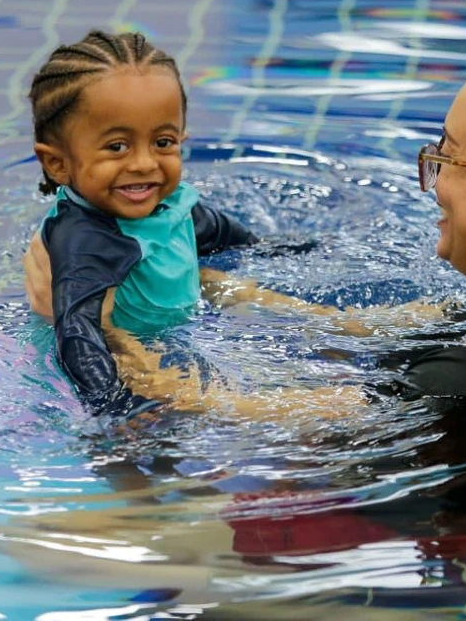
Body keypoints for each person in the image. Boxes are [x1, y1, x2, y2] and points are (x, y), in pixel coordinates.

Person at [24, 50, 466, 446]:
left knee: (68, 553)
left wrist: (90, 327)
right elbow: (379, 339)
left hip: (427, 562)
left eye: (449, 156)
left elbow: (239, 413)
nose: (432, 177)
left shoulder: (463, 385)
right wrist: (233, 292)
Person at [25, 30, 411, 419]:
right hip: (126, 342)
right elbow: (78, 333)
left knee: (229, 285)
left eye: (162, 142)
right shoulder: (86, 238)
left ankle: (346, 325)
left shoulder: (166, 201)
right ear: (58, 163)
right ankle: (263, 410)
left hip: (181, 312)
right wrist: (116, 405)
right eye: (117, 147)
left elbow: (220, 233)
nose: (144, 163)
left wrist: (291, 250)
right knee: (182, 391)